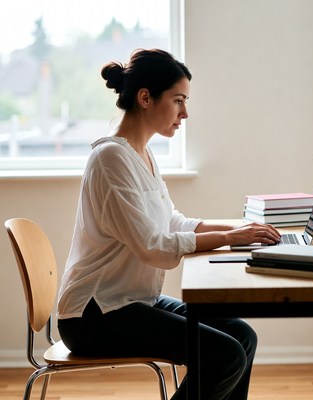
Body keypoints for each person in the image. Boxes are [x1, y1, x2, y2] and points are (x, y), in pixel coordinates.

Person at [57, 48, 281, 400]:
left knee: (242, 337)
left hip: (131, 301)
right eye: (178, 101)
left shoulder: (140, 153)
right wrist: (229, 236)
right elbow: (154, 246)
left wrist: (235, 229)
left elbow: (171, 221)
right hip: (94, 315)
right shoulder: (111, 158)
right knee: (224, 356)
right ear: (146, 97)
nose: (185, 113)